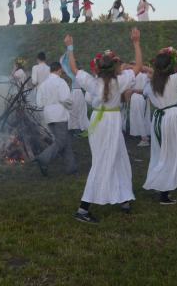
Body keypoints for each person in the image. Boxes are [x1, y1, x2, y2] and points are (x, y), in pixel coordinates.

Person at [65, 28, 143, 223]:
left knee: (119, 158)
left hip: (101, 122)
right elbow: (138, 66)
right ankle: (83, 209)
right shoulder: (121, 81)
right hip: (109, 122)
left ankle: (124, 197)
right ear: (115, 68)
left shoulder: (93, 82)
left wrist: (70, 47)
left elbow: (74, 69)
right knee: (103, 162)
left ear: (98, 69)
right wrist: (136, 42)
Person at [142, 48, 177, 204]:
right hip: (171, 117)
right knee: (171, 152)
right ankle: (164, 192)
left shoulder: (150, 84)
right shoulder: (175, 79)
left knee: (160, 152)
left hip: (158, 118)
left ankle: (159, 181)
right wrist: (173, 50)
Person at [34, 62, 76, 176]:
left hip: (48, 115)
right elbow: (65, 98)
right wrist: (71, 106)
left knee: (65, 140)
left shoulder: (43, 84)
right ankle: (43, 158)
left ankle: (70, 168)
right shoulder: (60, 82)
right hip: (59, 114)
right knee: (61, 141)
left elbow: (39, 103)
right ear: (59, 70)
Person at [129, 67, 152, 147]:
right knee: (144, 117)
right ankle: (146, 134)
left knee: (139, 118)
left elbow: (130, 87)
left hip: (137, 97)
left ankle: (144, 138)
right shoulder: (147, 75)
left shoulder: (134, 75)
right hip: (144, 97)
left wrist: (133, 91)